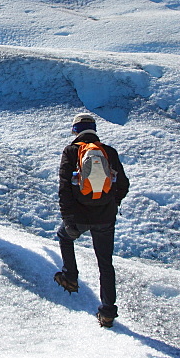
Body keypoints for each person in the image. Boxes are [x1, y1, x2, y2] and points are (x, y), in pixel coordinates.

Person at [54, 113, 130, 328]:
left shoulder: (71, 151)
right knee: (105, 263)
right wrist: (110, 203)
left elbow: (64, 188)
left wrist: (68, 218)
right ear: (94, 130)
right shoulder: (109, 152)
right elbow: (123, 184)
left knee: (64, 236)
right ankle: (107, 312)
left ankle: (70, 275)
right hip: (105, 218)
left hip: (78, 217)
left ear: (75, 131)